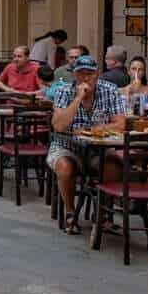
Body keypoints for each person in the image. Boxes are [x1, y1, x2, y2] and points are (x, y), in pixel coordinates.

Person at [49, 55, 128, 234]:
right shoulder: (64, 91)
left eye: (90, 74)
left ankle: (103, 214)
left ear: (97, 74)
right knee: (64, 167)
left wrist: (91, 130)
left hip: (98, 149)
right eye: (81, 73)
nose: (85, 78)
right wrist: (77, 99)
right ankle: (70, 212)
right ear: (74, 75)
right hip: (67, 146)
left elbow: (120, 124)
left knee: (114, 167)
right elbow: (59, 126)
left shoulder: (110, 90)